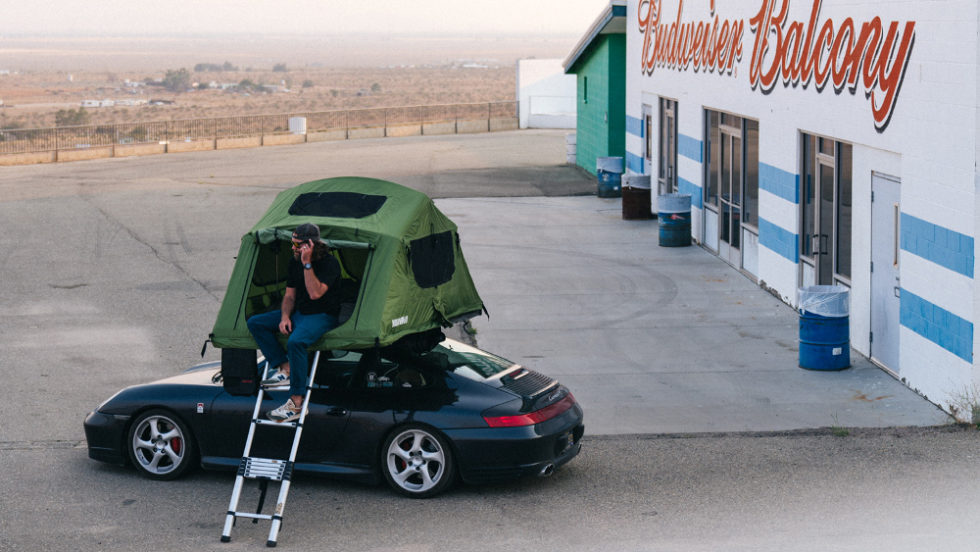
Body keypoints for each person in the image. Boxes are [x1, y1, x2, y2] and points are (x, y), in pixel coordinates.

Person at [246, 223, 341, 422]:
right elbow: (289, 295)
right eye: (292, 243)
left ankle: (296, 403)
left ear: (310, 245)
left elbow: (315, 293)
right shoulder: (294, 262)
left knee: (296, 342)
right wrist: (284, 317)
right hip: (299, 312)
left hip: (322, 315)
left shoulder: (329, 263)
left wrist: (307, 264)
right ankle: (285, 367)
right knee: (255, 323)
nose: (292, 248)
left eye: (297, 244)